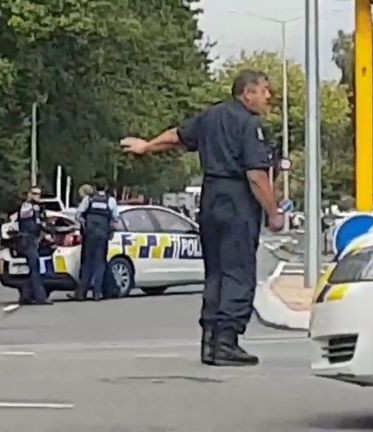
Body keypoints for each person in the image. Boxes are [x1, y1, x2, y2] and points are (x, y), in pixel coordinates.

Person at [120, 69, 284, 367]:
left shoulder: (210, 117)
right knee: (238, 271)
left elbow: (177, 136)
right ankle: (226, 341)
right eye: (264, 91)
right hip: (237, 200)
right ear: (247, 93)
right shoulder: (250, 124)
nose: (268, 96)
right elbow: (257, 175)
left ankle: (209, 340)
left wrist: (146, 146)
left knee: (216, 271)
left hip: (210, 198)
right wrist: (274, 212)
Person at [73, 183, 119, 301]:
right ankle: (97, 293)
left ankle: (81, 293)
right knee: (100, 264)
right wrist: (111, 230)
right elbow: (116, 219)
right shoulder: (110, 200)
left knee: (87, 263)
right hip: (103, 235)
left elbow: (78, 215)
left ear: (95, 188)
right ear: (106, 188)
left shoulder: (89, 199)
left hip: (90, 235)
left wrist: (84, 224)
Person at [17, 185, 53, 305]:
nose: (38, 196)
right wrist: (32, 204)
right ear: (29, 194)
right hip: (27, 240)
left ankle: (26, 296)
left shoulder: (37, 208)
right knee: (35, 268)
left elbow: (40, 224)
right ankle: (40, 297)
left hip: (34, 240)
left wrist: (46, 233)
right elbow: (25, 216)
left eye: (39, 194)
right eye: (35, 193)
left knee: (33, 269)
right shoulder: (27, 207)